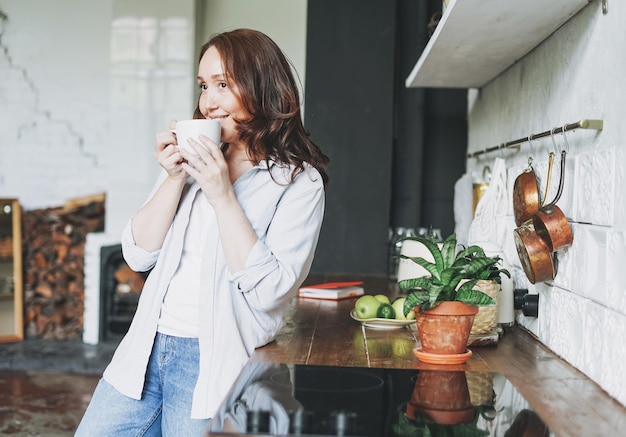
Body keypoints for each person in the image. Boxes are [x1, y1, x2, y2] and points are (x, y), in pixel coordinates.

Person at [75, 28, 329, 436]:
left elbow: (270, 291)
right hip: (145, 350)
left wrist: (221, 194)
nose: (208, 103)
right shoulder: (193, 160)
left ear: (261, 86)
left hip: (216, 365)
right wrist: (174, 178)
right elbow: (138, 255)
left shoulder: (299, 183)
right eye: (203, 86)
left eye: (223, 85)